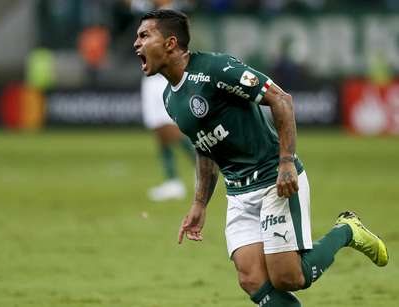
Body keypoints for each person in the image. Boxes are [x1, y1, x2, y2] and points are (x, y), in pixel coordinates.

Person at [133, 9, 389, 306]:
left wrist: (286, 162)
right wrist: (200, 204)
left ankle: (347, 231)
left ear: (170, 43)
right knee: (251, 278)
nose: (136, 43)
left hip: (273, 179)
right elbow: (205, 148)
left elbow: (281, 99)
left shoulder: (216, 69)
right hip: (238, 191)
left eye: (144, 35)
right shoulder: (170, 98)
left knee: (287, 278)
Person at [130, 0, 196, 202]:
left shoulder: (176, 11)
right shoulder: (147, 10)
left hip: (165, 74)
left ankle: (202, 167)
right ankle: (172, 181)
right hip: (152, 74)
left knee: (168, 127)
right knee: (158, 129)